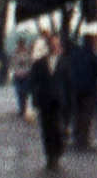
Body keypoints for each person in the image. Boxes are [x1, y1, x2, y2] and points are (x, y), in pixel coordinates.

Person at [30, 35, 72, 170]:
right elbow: (34, 82)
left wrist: (70, 102)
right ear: (48, 46)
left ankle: (57, 154)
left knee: (58, 129)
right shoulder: (39, 63)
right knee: (47, 130)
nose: (55, 46)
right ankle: (50, 157)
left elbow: (68, 83)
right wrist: (34, 101)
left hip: (60, 101)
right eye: (53, 44)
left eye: (57, 43)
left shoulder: (64, 62)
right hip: (45, 100)